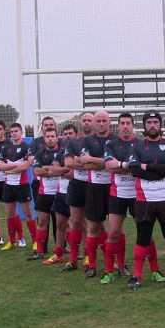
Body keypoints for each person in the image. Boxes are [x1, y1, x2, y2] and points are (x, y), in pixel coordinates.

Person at [127, 110, 165, 290]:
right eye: (149, 122)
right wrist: (162, 168)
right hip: (144, 201)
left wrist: (149, 167)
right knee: (142, 239)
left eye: (155, 122)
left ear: (160, 125)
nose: (152, 125)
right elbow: (135, 170)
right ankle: (137, 276)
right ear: (144, 126)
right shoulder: (136, 147)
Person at [102, 113, 164, 284]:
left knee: (145, 234)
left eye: (128, 123)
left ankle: (155, 270)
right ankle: (108, 271)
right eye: (122, 123)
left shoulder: (141, 144)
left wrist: (121, 164)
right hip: (117, 194)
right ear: (118, 126)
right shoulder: (111, 143)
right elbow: (109, 166)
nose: (125, 126)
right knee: (113, 232)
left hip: (139, 195)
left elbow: (143, 168)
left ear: (133, 125)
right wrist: (133, 165)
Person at [78, 111, 114, 279]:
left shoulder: (115, 140)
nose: (101, 123)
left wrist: (94, 160)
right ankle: (91, 265)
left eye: (103, 121)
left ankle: (113, 262)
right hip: (94, 188)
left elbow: (117, 162)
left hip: (114, 189)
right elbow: (85, 163)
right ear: (93, 124)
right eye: (98, 121)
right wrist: (107, 162)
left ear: (109, 122)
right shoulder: (87, 140)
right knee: (93, 227)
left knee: (115, 229)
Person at [60, 112, 94, 272]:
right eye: (84, 120)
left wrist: (80, 162)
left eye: (89, 120)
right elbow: (68, 163)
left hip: (93, 185)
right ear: (81, 123)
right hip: (76, 184)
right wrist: (88, 163)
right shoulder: (74, 142)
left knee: (92, 224)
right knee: (75, 222)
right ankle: (73, 260)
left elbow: (103, 164)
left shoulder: (100, 142)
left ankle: (89, 257)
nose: (86, 122)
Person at [0, 123, 36, 251]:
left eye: (16, 131)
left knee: (28, 214)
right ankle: (12, 241)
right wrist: (14, 168)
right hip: (8, 185)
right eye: (12, 131)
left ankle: (35, 241)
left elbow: (25, 166)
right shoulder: (6, 148)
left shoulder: (26, 147)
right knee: (10, 213)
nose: (14, 133)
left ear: (21, 132)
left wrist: (8, 170)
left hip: (22, 185)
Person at [28, 128, 63, 261]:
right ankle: (40, 250)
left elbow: (68, 171)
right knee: (42, 222)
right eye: (47, 136)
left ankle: (65, 249)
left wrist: (47, 169)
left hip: (60, 193)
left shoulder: (63, 152)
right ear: (44, 138)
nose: (50, 138)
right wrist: (55, 170)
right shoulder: (39, 154)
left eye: (52, 136)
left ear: (57, 137)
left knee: (62, 223)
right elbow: (36, 171)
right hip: (44, 192)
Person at [43, 124, 76, 264]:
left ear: (76, 135)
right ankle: (58, 254)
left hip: (75, 191)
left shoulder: (80, 151)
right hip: (61, 192)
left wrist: (59, 170)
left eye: (71, 133)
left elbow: (72, 173)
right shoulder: (61, 153)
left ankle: (82, 255)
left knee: (80, 225)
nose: (68, 136)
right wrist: (62, 170)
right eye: (66, 133)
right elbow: (51, 171)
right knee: (60, 224)